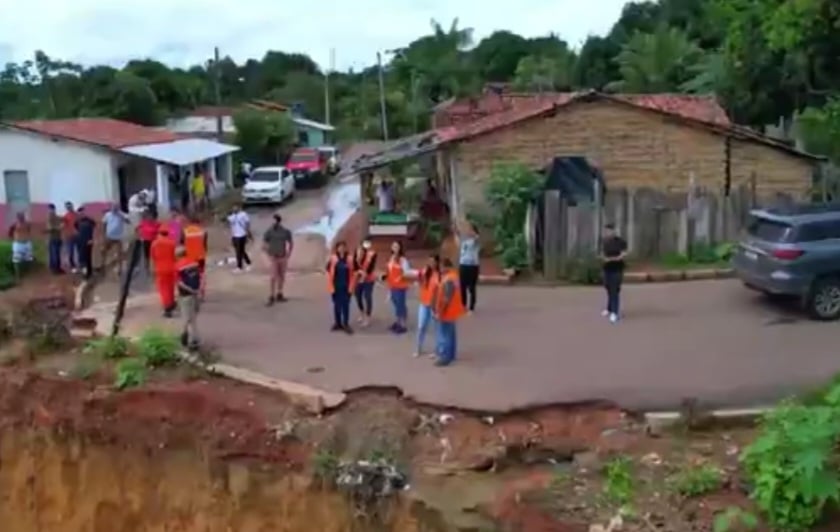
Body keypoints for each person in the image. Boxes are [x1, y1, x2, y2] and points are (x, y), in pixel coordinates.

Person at [432, 258, 467, 367]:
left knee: (445, 334)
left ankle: (445, 357)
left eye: (441, 267)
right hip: (453, 310)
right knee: (451, 334)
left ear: (446, 267)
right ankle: (451, 354)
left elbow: (446, 298)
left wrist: (440, 312)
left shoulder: (448, 279)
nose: (440, 269)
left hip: (447, 312)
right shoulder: (454, 276)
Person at [262, 212, 294, 306]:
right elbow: (264, 243)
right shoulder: (269, 232)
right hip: (274, 257)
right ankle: (271, 295)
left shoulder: (285, 231)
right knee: (273, 276)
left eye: (274, 221)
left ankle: (279, 293)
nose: (273, 223)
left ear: (278, 221)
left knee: (281, 276)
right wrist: (268, 253)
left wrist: (289, 253)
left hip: (282, 256)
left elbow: (291, 242)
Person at [414, 253, 441, 358]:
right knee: (421, 326)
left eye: (433, 261)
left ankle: (436, 350)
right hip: (424, 303)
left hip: (435, 305)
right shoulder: (425, 271)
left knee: (436, 329)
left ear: (437, 262)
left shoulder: (439, 274)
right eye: (429, 261)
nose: (431, 263)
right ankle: (418, 348)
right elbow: (419, 278)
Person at [382, 240, 411, 334]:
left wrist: (401, 278)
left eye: (397, 247)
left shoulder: (403, 260)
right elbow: (389, 271)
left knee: (400, 305)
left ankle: (403, 325)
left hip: (400, 286)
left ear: (400, 248)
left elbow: (406, 272)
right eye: (393, 246)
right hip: (392, 286)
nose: (395, 248)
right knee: (396, 304)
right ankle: (398, 322)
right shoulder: (390, 258)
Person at [326, 241, 355, 334]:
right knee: (336, 305)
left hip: (346, 286)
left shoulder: (350, 259)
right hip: (336, 286)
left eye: (343, 247)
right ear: (337, 248)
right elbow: (327, 269)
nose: (341, 248)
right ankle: (337, 323)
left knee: (345, 305)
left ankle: (346, 324)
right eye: (340, 247)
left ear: (345, 248)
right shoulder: (333, 258)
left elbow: (355, 271)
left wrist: (353, 285)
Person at [175, 246, 201, 350]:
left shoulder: (178, 266)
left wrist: (190, 290)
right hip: (195, 295)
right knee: (193, 317)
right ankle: (189, 338)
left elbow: (180, 283)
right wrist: (197, 291)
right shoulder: (194, 263)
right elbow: (200, 277)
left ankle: (190, 340)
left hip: (186, 295)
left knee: (187, 318)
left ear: (177, 255)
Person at [601, 223, 628, 324]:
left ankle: (615, 313)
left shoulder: (621, 242)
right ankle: (609, 308)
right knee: (608, 287)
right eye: (606, 231)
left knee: (614, 290)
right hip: (607, 268)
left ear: (614, 231)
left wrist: (615, 259)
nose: (608, 233)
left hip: (617, 269)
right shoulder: (604, 242)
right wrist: (604, 259)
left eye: (610, 230)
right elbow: (601, 254)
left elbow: (623, 254)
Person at [150, 227, 177, 318]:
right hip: (172, 268)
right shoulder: (172, 243)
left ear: (159, 233)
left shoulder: (154, 243)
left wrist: (152, 269)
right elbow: (175, 256)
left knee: (163, 289)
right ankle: (172, 303)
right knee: (170, 287)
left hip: (160, 269)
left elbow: (152, 258)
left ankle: (167, 308)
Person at [455, 219, 481, 313]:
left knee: (471, 287)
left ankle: (471, 307)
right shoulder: (464, 241)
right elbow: (457, 240)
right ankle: (463, 306)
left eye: (470, 229)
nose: (467, 231)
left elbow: (477, 237)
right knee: (462, 287)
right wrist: (457, 232)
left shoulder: (475, 241)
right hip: (463, 265)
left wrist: (470, 230)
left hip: (472, 266)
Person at [182, 213, 208, 299]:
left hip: (190, 257)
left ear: (190, 222)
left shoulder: (185, 231)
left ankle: (193, 292)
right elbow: (205, 245)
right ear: (198, 222)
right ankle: (202, 293)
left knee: (191, 275)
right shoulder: (203, 231)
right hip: (200, 257)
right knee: (201, 274)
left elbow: (183, 244)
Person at [353, 240, 377, 327]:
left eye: (362, 251)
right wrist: (359, 272)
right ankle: (361, 313)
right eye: (358, 251)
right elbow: (355, 268)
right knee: (358, 296)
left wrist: (364, 275)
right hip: (359, 278)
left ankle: (368, 317)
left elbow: (370, 268)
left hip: (369, 279)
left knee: (367, 297)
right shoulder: (356, 255)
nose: (360, 253)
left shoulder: (371, 255)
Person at [102, 204, 129, 277]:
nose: (114, 209)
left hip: (118, 238)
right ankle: (103, 265)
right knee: (104, 250)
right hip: (109, 237)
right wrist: (104, 235)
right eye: (113, 207)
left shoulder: (121, 214)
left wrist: (122, 216)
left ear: (118, 208)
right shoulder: (107, 215)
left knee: (119, 253)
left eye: (116, 207)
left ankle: (119, 269)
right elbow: (104, 225)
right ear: (111, 208)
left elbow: (128, 221)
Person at [7, 212, 33, 280]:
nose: (21, 218)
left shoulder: (27, 224)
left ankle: (28, 273)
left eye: (22, 217)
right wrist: (15, 239)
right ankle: (18, 276)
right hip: (18, 244)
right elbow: (10, 234)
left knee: (28, 259)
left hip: (27, 243)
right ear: (17, 218)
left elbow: (28, 231)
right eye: (20, 217)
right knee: (16, 260)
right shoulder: (14, 225)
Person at [227, 204, 252, 273]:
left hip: (242, 235)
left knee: (238, 252)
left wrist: (248, 232)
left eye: (235, 207)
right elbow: (229, 223)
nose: (234, 209)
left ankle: (239, 267)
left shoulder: (243, 214)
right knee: (241, 251)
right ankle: (248, 262)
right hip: (235, 235)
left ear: (239, 208)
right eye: (233, 208)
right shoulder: (232, 216)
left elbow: (247, 223)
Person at [75, 207, 97, 279]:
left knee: (88, 258)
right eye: (80, 213)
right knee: (82, 258)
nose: (81, 214)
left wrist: (91, 239)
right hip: (80, 242)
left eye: (82, 212)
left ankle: (89, 273)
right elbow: (76, 228)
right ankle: (85, 274)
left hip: (89, 242)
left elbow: (94, 228)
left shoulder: (90, 221)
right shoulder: (77, 221)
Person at [137, 211, 160, 275]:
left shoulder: (157, 224)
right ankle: (147, 268)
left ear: (154, 217)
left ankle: (154, 268)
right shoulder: (143, 222)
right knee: (147, 256)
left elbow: (161, 232)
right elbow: (137, 228)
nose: (149, 217)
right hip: (146, 241)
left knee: (155, 255)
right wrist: (140, 235)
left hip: (154, 242)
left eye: (151, 216)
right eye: (148, 216)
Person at [45, 204, 63, 274]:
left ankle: (55, 268)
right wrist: (59, 227)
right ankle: (55, 269)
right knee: (55, 254)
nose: (51, 211)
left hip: (55, 237)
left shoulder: (55, 217)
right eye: (50, 209)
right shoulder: (50, 217)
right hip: (53, 238)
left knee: (54, 254)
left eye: (52, 209)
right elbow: (50, 228)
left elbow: (62, 220)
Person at [62, 201, 78, 272]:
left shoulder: (77, 215)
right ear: (66, 208)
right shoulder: (65, 216)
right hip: (69, 236)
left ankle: (80, 265)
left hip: (77, 236)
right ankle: (72, 266)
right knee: (70, 251)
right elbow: (63, 226)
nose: (69, 208)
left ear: (72, 206)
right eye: (67, 207)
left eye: (70, 206)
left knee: (79, 251)